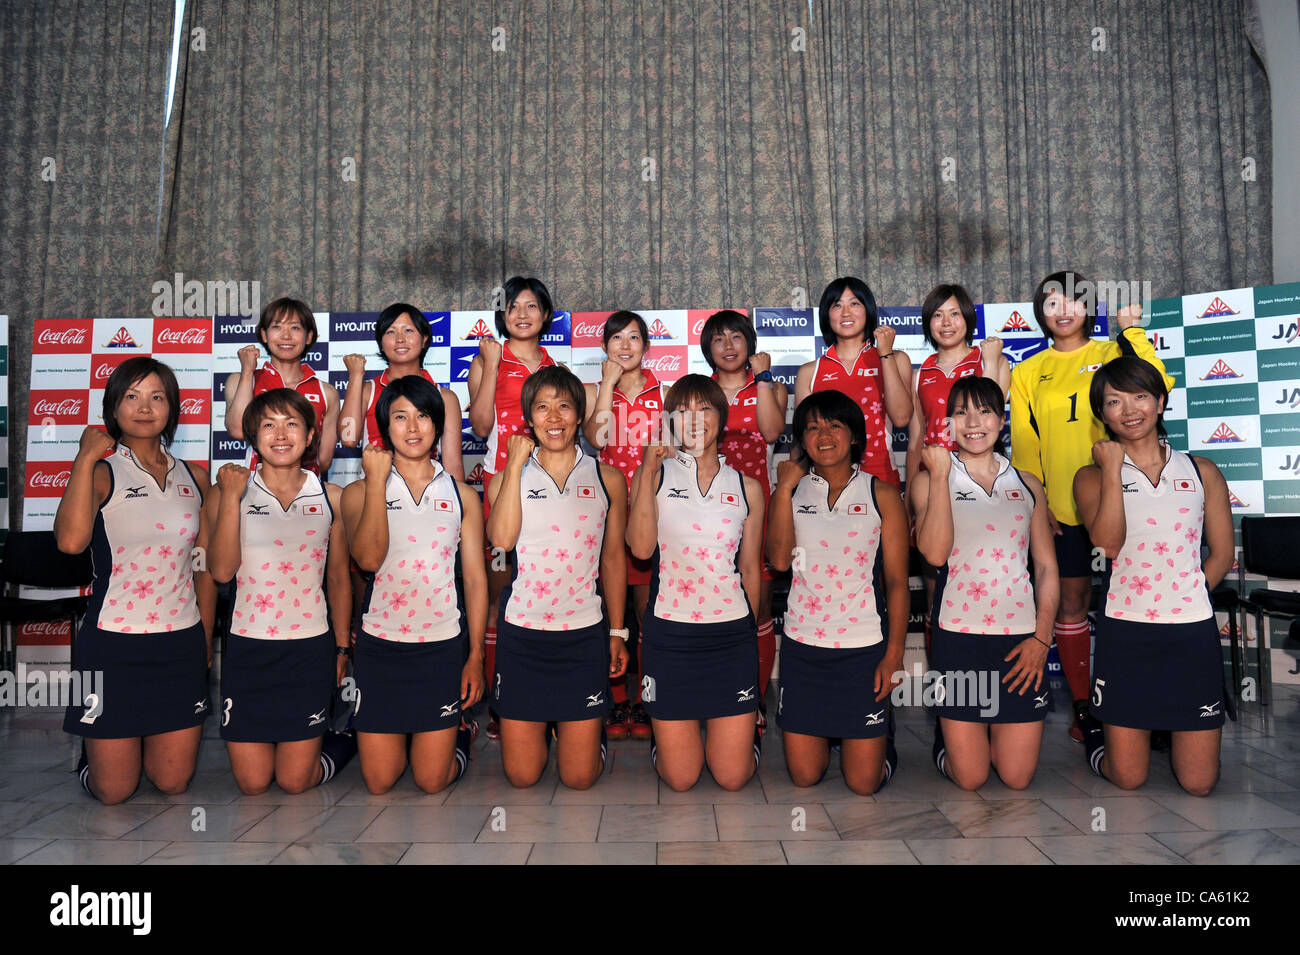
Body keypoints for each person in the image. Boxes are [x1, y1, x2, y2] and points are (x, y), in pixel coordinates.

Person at [1009, 272, 1172, 743]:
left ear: (1090, 308)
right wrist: (1037, 508)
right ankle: (1085, 709)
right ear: (1041, 311)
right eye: (1052, 302)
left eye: (1075, 301)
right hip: (1063, 510)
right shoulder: (1025, 372)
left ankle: (1148, 705)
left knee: (1140, 602)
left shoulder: (1111, 352)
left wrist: (1132, 330)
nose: (1064, 310)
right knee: (1073, 603)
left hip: (1129, 501)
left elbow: (1156, 387)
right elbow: (1025, 448)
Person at [55, 357, 214, 804]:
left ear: (172, 408)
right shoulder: (103, 471)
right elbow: (70, 543)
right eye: (132, 396)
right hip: (111, 645)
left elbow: (201, 565)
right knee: (114, 792)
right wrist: (84, 457)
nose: (145, 408)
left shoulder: (194, 476)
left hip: (179, 642)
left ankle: (125, 744)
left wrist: (204, 635)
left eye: (157, 397)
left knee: (172, 782)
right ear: (114, 407)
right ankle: (96, 756)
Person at [1073, 357, 1232, 796]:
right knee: (1128, 778)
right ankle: (1093, 733)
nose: (1129, 409)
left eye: (1140, 396)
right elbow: (1107, 544)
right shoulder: (1090, 477)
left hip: (1191, 634)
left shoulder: (1202, 471)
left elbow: (1221, 554)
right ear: (1101, 414)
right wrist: (1110, 469)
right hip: (1126, 632)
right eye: (1114, 401)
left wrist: (1188, 595)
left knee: (1199, 785)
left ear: (1160, 402)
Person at [909, 376, 1059, 790]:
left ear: (1001, 419)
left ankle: (973, 735)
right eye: (961, 412)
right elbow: (935, 555)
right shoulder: (929, 479)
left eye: (985, 411)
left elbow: (1046, 567)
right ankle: (950, 740)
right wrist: (939, 476)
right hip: (959, 637)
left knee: (1015, 778)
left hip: (1021, 641)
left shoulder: (1028, 484)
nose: (974, 422)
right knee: (971, 779)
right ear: (949, 422)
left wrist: (1042, 640)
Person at [205, 389, 356, 794]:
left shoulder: (331, 496)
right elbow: (220, 571)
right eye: (268, 425)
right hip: (248, 648)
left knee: (294, 782)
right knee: (253, 785)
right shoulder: (228, 490)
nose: (280, 434)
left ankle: (348, 740)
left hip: (309, 648)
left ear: (310, 436)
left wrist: (342, 649)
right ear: (253, 436)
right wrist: (234, 499)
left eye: (291, 423)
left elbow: (339, 578)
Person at [486, 365, 629, 789]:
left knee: (580, 778)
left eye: (564, 406)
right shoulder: (503, 480)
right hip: (523, 634)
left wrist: (617, 630)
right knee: (522, 776)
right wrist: (513, 467)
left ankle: (583, 737)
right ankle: (552, 734)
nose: (553, 417)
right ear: (528, 418)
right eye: (542, 408)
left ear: (579, 416)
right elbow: (501, 540)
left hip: (583, 633)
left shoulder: (608, 478)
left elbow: (614, 560)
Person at [342, 376, 486, 793]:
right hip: (380, 647)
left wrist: (475, 655)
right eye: (400, 416)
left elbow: (476, 581)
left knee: (430, 782)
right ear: (384, 427)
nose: (412, 427)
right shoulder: (357, 492)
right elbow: (368, 559)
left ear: (438, 426)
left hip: (441, 647)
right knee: (380, 782)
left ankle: (459, 735)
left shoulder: (462, 496)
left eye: (422, 416)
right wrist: (374, 482)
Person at [627, 375, 766, 792]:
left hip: (731, 636)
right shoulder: (651, 475)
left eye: (704, 408)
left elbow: (751, 571)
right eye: (682, 411)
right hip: (670, 635)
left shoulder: (748, 487)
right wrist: (650, 470)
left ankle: (746, 735)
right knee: (682, 779)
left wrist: (749, 637)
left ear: (720, 417)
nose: (694, 420)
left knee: (732, 778)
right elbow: (639, 547)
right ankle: (664, 737)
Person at [766, 390, 908, 793]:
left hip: (863, 649)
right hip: (803, 647)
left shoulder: (881, 494)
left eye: (834, 425)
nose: (823, 435)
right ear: (801, 441)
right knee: (804, 777)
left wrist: (894, 653)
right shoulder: (792, 492)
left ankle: (880, 738)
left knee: (864, 784)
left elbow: (897, 583)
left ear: (856, 437)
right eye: (811, 427)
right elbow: (778, 561)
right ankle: (838, 737)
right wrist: (781, 491)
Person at [468, 276, 559, 740]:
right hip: (502, 483)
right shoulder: (487, 358)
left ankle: (547, 696)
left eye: (531, 306)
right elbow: (482, 425)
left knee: (541, 589)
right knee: (503, 592)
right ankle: (501, 699)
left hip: (547, 490)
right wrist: (488, 364)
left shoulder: (555, 365)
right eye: (512, 308)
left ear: (545, 314)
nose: (522, 314)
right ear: (502, 316)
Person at [702, 309, 788, 724]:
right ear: (708, 349)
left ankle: (751, 695)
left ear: (749, 344)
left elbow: (771, 433)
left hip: (760, 505)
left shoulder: (770, 388)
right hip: (708, 507)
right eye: (719, 339)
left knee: (760, 603)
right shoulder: (701, 394)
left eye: (736, 337)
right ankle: (716, 688)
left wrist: (765, 378)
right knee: (714, 596)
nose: (729, 346)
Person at [582, 310, 662, 742]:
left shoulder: (664, 393)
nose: (626, 346)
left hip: (652, 514)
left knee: (648, 612)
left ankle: (648, 701)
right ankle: (613, 703)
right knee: (612, 613)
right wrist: (608, 385)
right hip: (608, 514)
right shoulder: (595, 390)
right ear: (604, 347)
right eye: (616, 338)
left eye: (634, 338)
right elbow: (596, 439)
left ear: (647, 347)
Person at [795, 277, 913, 487]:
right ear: (826, 314)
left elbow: (902, 418)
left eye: (854, 303)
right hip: (824, 482)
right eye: (837, 305)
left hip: (881, 476)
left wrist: (885, 354)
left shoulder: (896, 359)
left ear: (867, 309)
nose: (846, 312)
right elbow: (801, 439)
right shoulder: (810, 371)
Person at [339, 302, 464, 478]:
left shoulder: (444, 397)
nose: (400, 339)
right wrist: (355, 377)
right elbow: (349, 438)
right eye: (390, 332)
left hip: (428, 492)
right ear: (381, 343)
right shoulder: (368, 390)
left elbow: (453, 463)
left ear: (424, 338)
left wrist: (459, 502)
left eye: (408, 330)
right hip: (376, 492)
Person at [905, 283, 1009, 484]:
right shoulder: (920, 374)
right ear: (928, 323)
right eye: (937, 315)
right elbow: (916, 442)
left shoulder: (992, 360)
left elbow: (988, 413)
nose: (946, 322)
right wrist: (909, 494)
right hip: (932, 476)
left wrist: (990, 362)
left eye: (954, 314)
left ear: (968, 318)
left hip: (979, 476)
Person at [224, 297, 340, 475]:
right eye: (277, 327)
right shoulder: (241, 380)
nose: (286, 336)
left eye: (295, 328)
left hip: (308, 492)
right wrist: (247, 371)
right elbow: (238, 430)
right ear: (264, 334)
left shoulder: (327, 392)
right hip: (256, 491)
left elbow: (324, 460)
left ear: (309, 336)